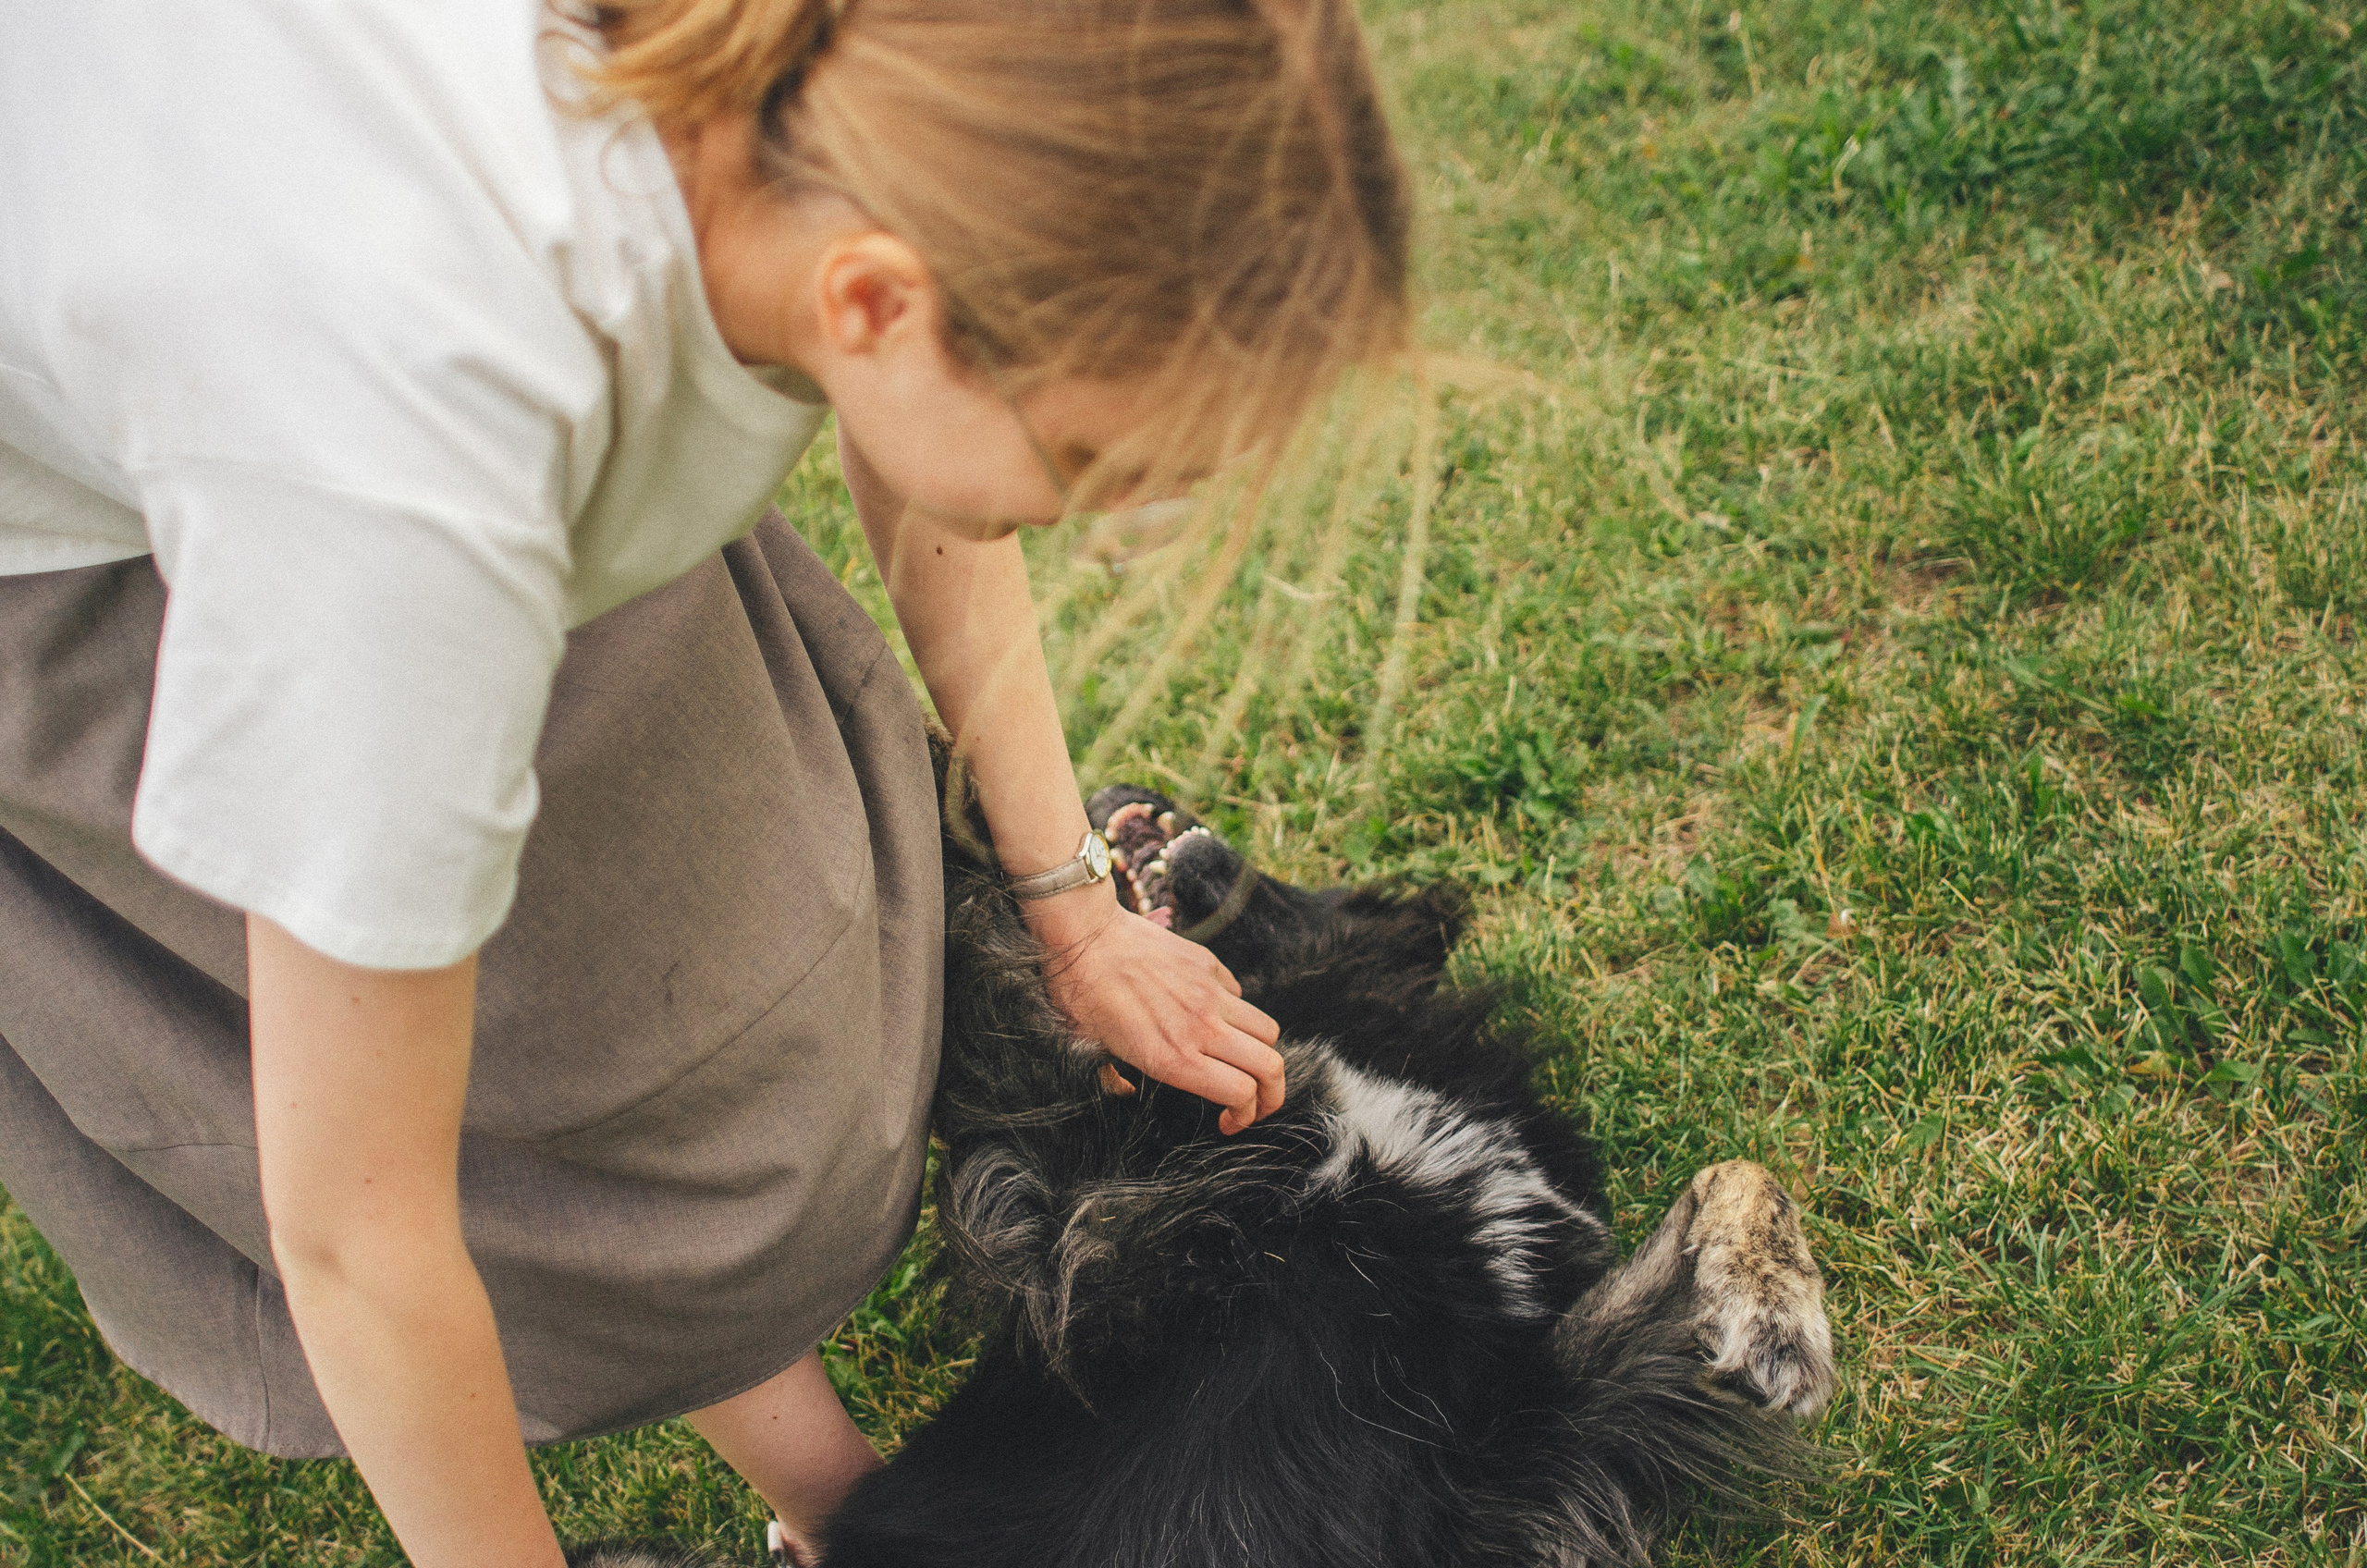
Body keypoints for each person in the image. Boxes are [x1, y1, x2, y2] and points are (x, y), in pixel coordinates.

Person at [0, 0, 1410, 1562]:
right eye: (1092, 469)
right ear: (877, 303)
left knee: (693, 978)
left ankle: (833, 1498)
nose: (1100, 516)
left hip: (385, 348)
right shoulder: (407, 471)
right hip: (110, 521)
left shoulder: (849, 127)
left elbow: (939, 442)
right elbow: (358, 1229)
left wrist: (1070, 903)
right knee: (536, 1125)